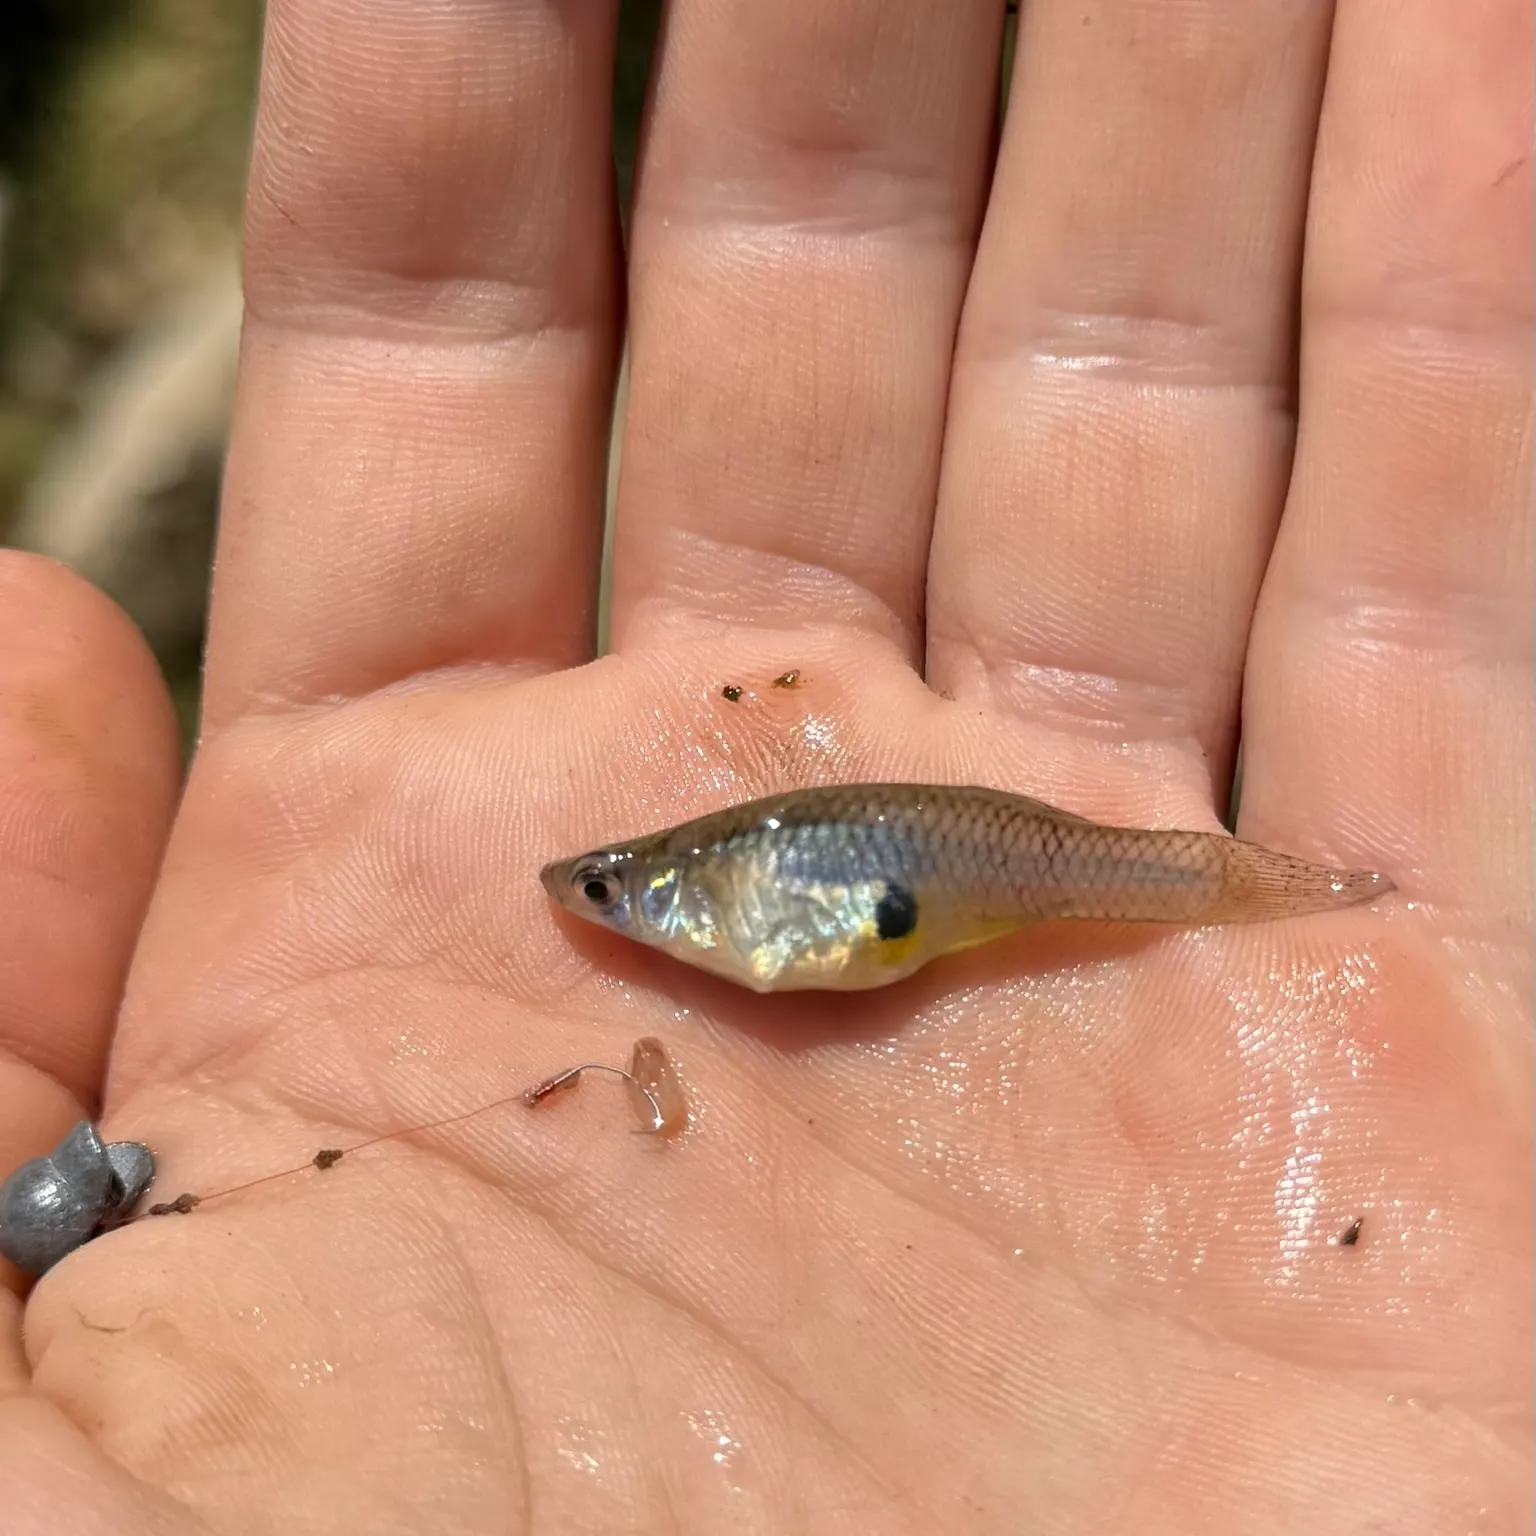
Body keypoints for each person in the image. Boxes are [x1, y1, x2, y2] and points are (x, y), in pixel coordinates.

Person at [0, 1, 1529, 1530]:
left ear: (663, 880)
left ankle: (1271, 894)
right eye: (607, 884)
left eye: (610, 885)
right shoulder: (704, 896)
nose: (596, 902)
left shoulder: (717, 882)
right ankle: (1278, 892)